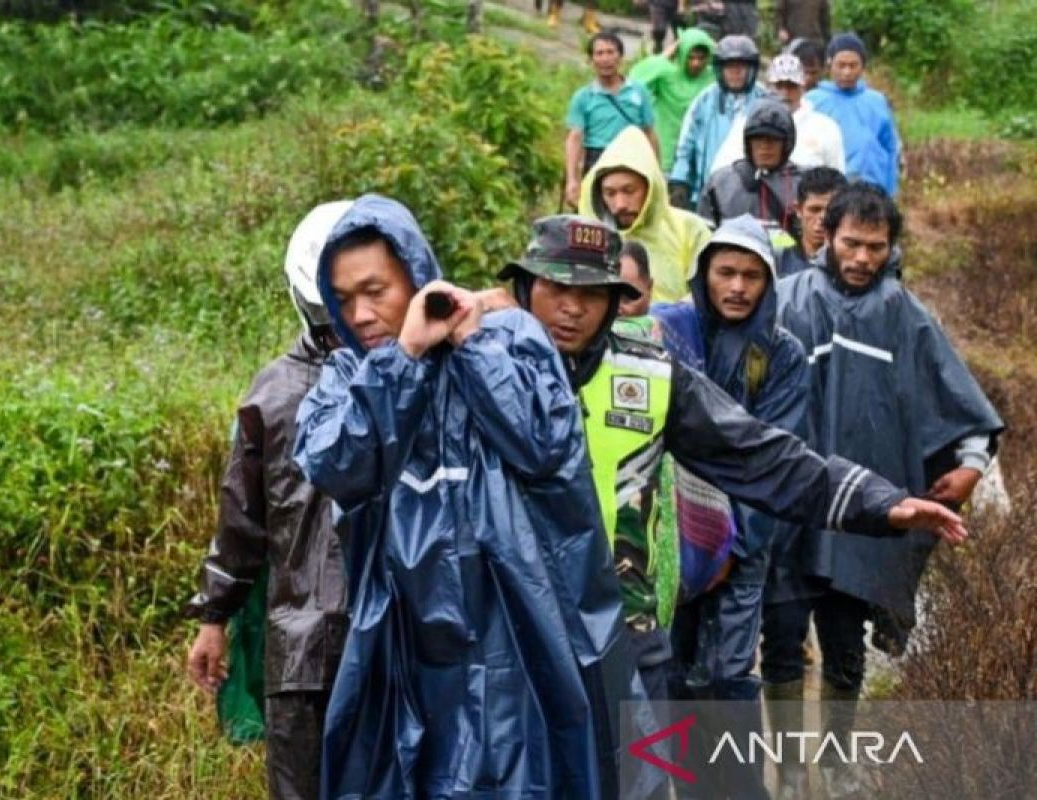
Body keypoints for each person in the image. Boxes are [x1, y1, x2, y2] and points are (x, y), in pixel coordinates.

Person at [496, 211, 969, 738]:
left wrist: (878, 502)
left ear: (612, 301)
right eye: (556, 288)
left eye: (591, 292)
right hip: (512, 632)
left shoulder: (649, 375)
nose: (571, 307)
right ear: (524, 288)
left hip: (624, 633)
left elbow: (759, 454)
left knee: (640, 766)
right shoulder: (481, 370)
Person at [293, 195, 658, 800]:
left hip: (522, 645)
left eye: (375, 291)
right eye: (344, 297)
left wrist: (470, 344)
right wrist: (405, 359)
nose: (360, 314)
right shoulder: (348, 377)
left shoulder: (507, 338)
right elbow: (336, 465)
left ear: (416, 277)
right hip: (406, 656)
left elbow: (543, 444)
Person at [772, 183, 1004, 796]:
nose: (862, 258)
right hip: (790, 508)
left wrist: (971, 464)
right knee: (782, 644)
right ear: (826, 235)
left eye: (876, 247)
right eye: (851, 242)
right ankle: (789, 770)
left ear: (891, 247)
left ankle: (835, 763)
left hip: (865, 517)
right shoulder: (787, 301)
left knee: (845, 647)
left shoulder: (906, 315)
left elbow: (958, 400)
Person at [185, 201, 352, 800]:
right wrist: (214, 618)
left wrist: (214, 617)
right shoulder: (274, 393)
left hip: (365, 642)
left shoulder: (418, 374)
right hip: (311, 649)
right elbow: (243, 519)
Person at [650, 216, 809, 800]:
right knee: (671, 668)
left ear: (768, 283)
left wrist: (730, 549)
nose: (737, 287)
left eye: (751, 275)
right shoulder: (670, 332)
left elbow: (776, 459)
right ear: (704, 275)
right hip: (669, 533)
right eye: (726, 273)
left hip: (743, 540)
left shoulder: (782, 354)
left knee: (728, 675)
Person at [578, 127, 710, 304]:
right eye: (610, 193)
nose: (620, 204)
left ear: (650, 187)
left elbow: (708, 293)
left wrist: (666, 315)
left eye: (629, 191)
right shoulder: (589, 238)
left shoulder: (689, 229)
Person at [669, 35, 768, 209]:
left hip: (753, 195)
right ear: (719, 69)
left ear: (752, 69)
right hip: (708, 194)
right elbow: (685, 146)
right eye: (730, 67)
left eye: (741, 67)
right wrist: (679, 181)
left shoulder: (765, 101)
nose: (735, 73)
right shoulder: (704, 100)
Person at [566, 32, 660, 209]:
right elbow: (575, 137)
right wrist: (572, 179)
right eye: (599, 53)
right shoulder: (583, 97)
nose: (605, 59)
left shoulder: (638, 91)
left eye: (610, 52)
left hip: (632, 159)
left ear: (620, 57)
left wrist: (656, 172)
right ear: (591, 60)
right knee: (595, 214)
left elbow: (649, 132)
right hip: (597, 160)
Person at [806, 33, 901, 196]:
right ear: (829, 65)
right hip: (829, 189)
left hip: (872, 188)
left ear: (862, 67)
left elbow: (891, 147)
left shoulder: (877, 101)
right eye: (841, 65)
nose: (847, 72)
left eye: (853, 65)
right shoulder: (813, 101)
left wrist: (890, 190)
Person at [698, 99, 802, 236]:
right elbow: (704, 236)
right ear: (748, 142)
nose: (765, 146)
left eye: (773, 139)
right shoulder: (720, 184)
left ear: (787, 143)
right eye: (758, 138)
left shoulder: (804, 184)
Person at [630, 27, 718, 172]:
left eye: (701, 58)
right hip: (666, 151)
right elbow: (635, 79)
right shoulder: (667, 74)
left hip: (697, 152)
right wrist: (668, 53)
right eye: (691, 57)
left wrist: (714, 47)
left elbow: (737, 66)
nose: (696, 63)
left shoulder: (712, 76)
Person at [767, 53, 844, 172]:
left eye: (791, 86)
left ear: (802, 87)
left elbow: (837, 174)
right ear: (769, 88)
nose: (785, 93)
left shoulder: (826, 128)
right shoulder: (751, 124)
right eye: (779, 86)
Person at [777, 165, 846, 277]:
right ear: (798, 209)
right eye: (815, 210)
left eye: (832, 210)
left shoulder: (854, 261)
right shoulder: (777, 256)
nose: (823, 218)